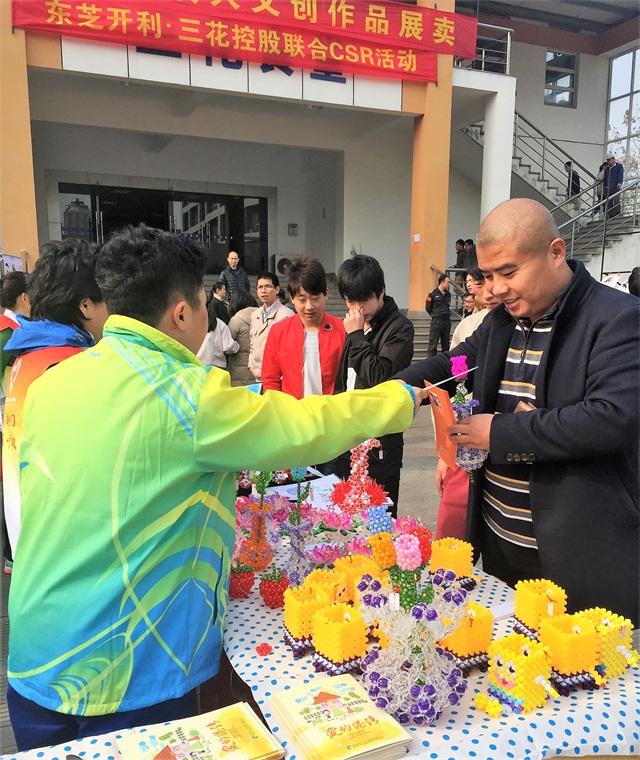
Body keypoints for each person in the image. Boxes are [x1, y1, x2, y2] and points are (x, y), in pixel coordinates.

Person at [7, 224, 425, 749]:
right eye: (205, 302)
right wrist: (401, 398)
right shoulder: (187, 396)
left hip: (36, 657)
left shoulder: (53, 382)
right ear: (183, 313)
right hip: (129, 674)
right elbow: (307, 425)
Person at [397, 198, 639, 625]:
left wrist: (500, 432)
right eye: (488, 275)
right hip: (501, 545)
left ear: (556, 252)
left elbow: (611, 418)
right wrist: (396, 391)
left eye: (508, 273)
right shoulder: (501, 323)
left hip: (577, 554)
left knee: (578, 660)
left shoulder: (616, 319)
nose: (494, 289)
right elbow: (454, 365)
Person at [2, 239, 107, 558]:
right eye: (108, 300)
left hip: (29, 542)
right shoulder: (71, 364)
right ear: (86, 306)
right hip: (64, 550)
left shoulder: (28, 355)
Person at [333, 254, 414, 514]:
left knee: (378, 518)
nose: (358, 309)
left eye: (364, 300)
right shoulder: (357, 326)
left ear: (381, 292)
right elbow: (344, 381)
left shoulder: (399, 328)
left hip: (379, 444)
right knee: (346, 517)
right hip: (347, 435)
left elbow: (379, 376)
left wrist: (357, 335)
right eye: (350, 301)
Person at [433, 265, 500, 540]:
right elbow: (451, 388)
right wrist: (446, 452)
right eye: (484, 281)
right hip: (466, 444)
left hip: (507, 447)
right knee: (453, 537)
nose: (491, 290)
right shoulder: (470, 326)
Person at [261, 257, 345, 398]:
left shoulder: (342, 330)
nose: (309, 306)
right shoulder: (279, 332)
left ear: (326, 294)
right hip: (293, 409)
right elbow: (270, 379)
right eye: (302, 299)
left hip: (331, 409)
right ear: (292, 297)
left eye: (315, 298)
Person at [0, 271, 30, 575]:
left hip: (12, 418)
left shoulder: (17, 328)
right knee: (13, 487)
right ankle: (11, 554)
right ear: (24, 297)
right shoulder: (7, 332)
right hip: (8, 420)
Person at [248, 271, 293, 383]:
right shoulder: (255, 315)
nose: (263, 290)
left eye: (268, 286)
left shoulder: (286, 315)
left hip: (277, 379)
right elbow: (252, 344)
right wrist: (251, 366)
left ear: (277, 289)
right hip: (257, 377)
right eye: (260, 287)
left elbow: (289, 350)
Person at [227, 290, 258, 386]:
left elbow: (227, 346)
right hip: (258, 370)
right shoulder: (261, 317)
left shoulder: (236, 320)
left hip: (238, 375)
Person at [425, 274, 451, 356]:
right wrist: (435, 315)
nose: (448, 284)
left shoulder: (448, 294)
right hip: (437, 320)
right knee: (433, 343)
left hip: (446, 320)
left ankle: (445, 361)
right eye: (447, 282)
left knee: (446, 344)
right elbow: (428, 307)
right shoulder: (432, 294)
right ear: (442, 282)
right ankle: (431, 361)